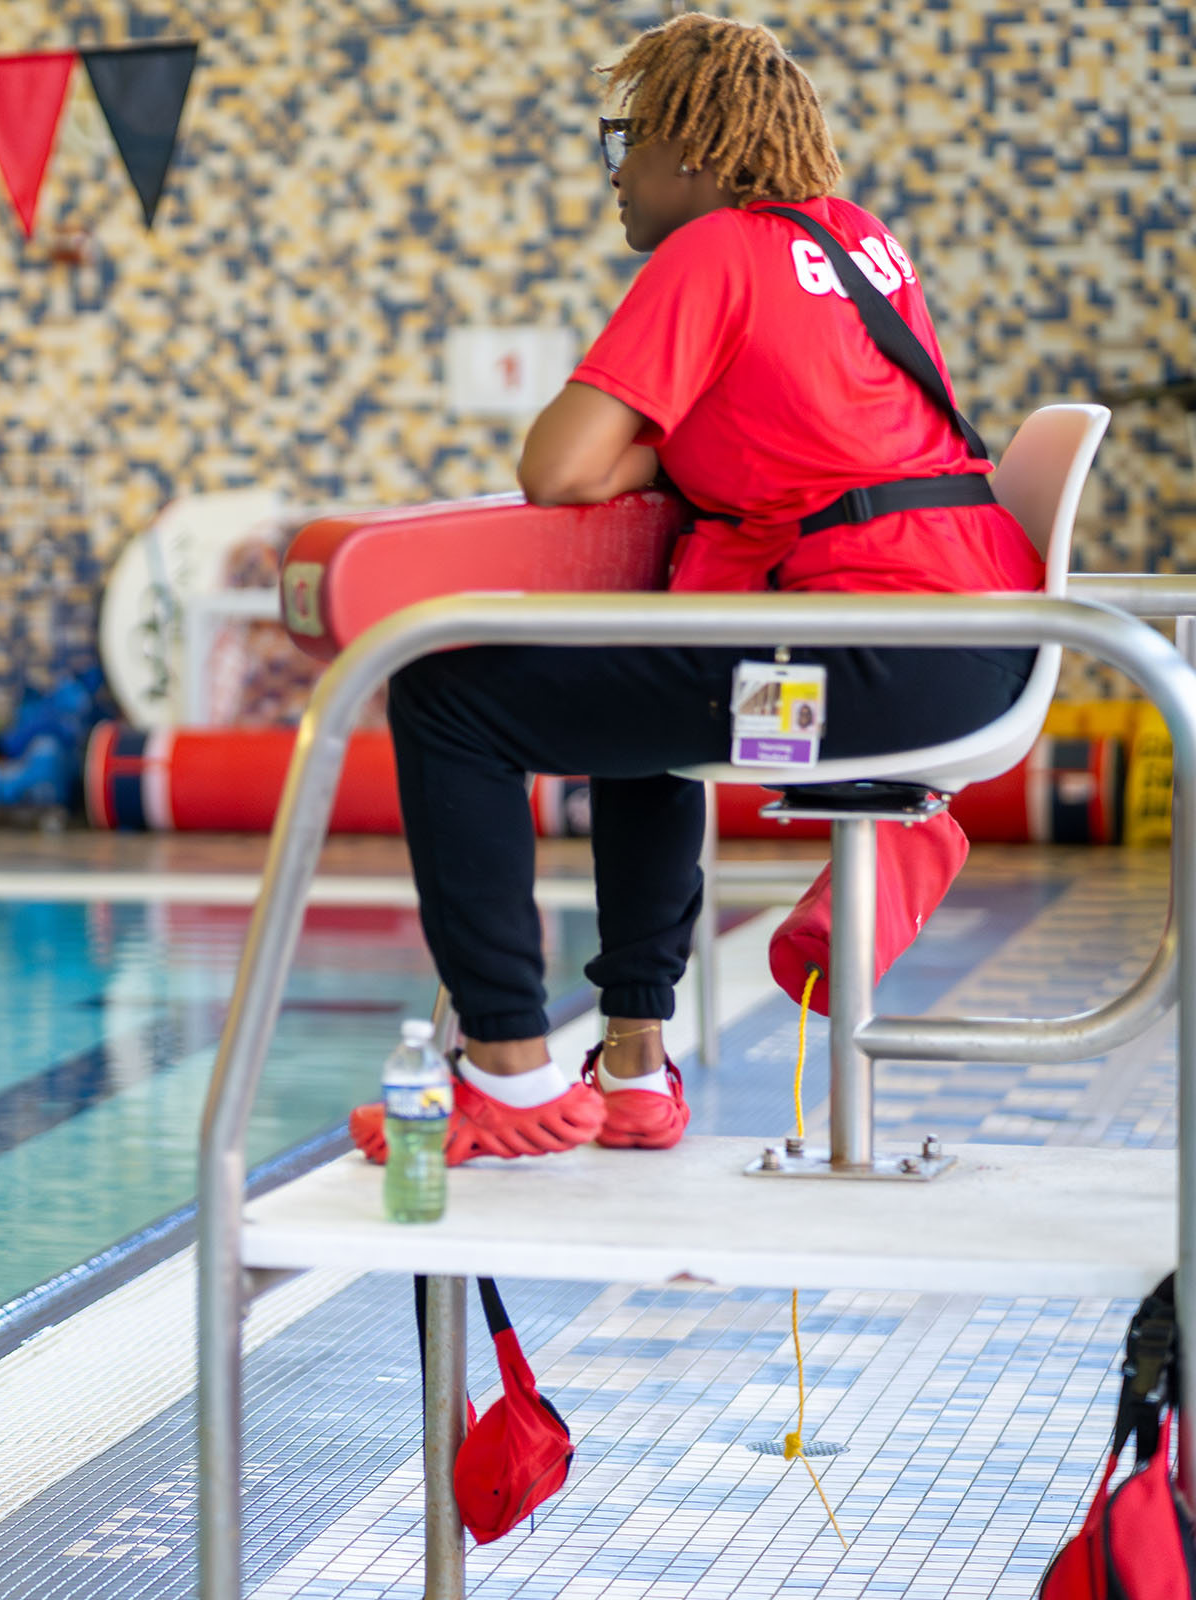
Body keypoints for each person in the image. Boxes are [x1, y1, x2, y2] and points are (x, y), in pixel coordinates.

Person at [351, 12, 1040, 1162]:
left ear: (695, 146)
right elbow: (785, 442)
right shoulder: (854, 242)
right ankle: (630, 1066)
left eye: (627, 141)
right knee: (641, 701)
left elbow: (557, 464)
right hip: (972, 650)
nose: (615, 174)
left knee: (445, 698)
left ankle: (508, 1075)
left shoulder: (711, 251)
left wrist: (639, 447)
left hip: (867, 667)